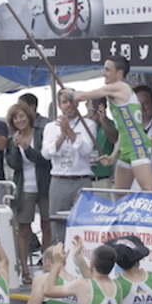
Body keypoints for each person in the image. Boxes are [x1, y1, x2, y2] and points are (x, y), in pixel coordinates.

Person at [64, 55, 152, 192]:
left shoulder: (119, 87)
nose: (103, 73)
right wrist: (113, 155)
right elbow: (123, 130)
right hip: (125, 148)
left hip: (137, 146)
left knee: (150, 192)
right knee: (119, 193)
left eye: (107, 70)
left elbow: (83, 96)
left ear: (119, 74)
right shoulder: (116, 91)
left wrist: (70, 93)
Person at [42, 89, 97, 242]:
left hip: (81, 179)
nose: (68, 105)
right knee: (57, 225)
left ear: (77, 102)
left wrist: (70, 132)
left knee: (83, 222)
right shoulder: (50, 127)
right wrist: (61, 136)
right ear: (59, 105)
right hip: (59, 180)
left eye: (71, 101)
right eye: (64, 102)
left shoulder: (89, 124)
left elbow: (86, 150)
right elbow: (46, 154)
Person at [6, 102, 52, 284]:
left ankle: (47, 266)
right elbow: (13, 164)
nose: (20, 120)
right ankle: (24, 270)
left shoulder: (41, 134)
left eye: (22, 116)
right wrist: (18, 149)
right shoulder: (12, 141)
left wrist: (27, 149)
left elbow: (44, 160)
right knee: (23, 229)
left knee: (47, 225)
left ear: (29, 116)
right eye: (16, 117)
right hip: (24, 188)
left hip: (44, 185)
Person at [85, 97, 118, 189]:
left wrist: (102, 120)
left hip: (103, 179)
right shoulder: (81, 123)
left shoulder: (110, 124)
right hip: (84, 178)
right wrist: (88, 117)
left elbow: (113, 139)